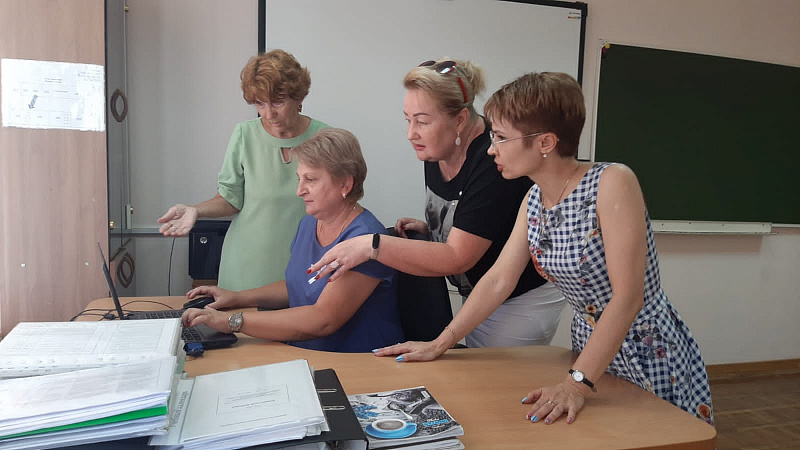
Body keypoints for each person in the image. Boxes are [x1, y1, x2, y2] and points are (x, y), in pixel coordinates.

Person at [374, 72, 714, 426]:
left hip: (646, 347)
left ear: (545, 142)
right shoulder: (534, 198)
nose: (491, 149)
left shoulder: (612, 182)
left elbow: (628, 298)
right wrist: (438, 343)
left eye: (501, 138)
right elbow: (498, 280)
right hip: (589, 346)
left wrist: (576, 384)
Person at [309, 58, 565, 348]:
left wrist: (372, 245)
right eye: (408, 120)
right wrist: (438, 228)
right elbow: (475, 221)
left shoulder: (493, 163)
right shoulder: (437, 148)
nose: (411, 133)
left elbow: (460, 257)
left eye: (422, 121)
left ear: (460, 120)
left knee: (492, 371)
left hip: (518, 298)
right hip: (481, 286)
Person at [181, 128, 405, 353]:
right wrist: (235, 297)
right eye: (299, 179)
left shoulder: (366, 239)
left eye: (311, 180)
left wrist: (234, 321)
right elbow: (297, 287)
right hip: (305, 353)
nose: (299, 191)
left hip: (355, 362)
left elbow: (323, 320)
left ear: (345, 185)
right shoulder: (309, 223)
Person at [158, 49, 328, 291]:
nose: (269, 114)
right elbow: (230, 199)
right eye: (260, 103)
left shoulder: (325, 138)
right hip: (245, 267)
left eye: (278, 102)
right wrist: (196, 210)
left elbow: (339, 204)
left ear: (298, 96)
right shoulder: (244, 134)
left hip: (307, 264)